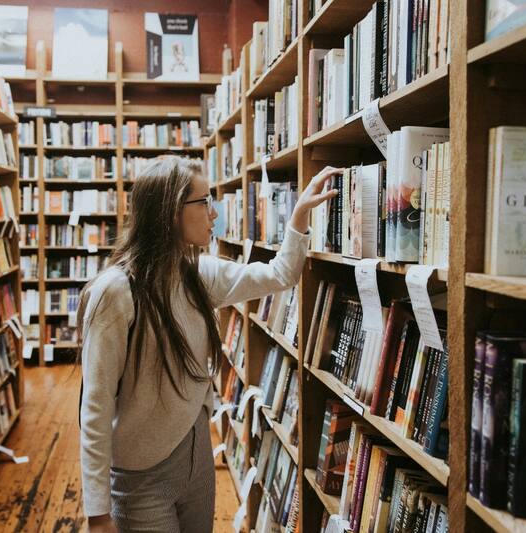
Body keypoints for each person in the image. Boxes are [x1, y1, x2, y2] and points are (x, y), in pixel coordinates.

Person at [78, 156, 340, 533]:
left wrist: (298, 217)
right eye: (204, 202)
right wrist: (98, 513)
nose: (214, 213)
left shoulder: (199, 273)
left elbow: (280, 274)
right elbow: (96, 405)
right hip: (140, 476)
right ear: (171, 213)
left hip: (196, 454)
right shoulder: (116, 292)